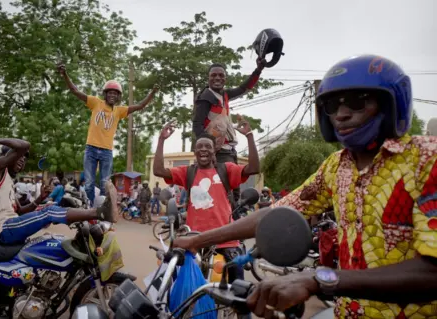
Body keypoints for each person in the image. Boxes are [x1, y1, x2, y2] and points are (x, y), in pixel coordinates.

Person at [173, 55, 437, 318]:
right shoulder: (337, 166)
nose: (342, 114)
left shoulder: (426, 160)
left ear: (391, 104)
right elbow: (275, 214)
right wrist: (197, 240)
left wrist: (319, 278)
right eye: (332, 106)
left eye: (357, 103)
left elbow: (432, 271)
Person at [154, 118, 259, 286]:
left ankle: (240, 312)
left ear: (214, 150)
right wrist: (161, 140)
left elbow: (253, 168)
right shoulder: (187, 172)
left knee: (239, 289)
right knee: (178, 282)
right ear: (195, 151)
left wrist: (250, 136)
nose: (203, 149)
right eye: (200, 147)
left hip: (226, 239)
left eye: (208, 146)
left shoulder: (226, 169)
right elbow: (158, 170)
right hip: (195, 240)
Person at [0, 137, 120, 245]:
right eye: (17, 156)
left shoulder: (7, 182)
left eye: (24, 158)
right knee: (49, 213)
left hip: (10, 226)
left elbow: (21, 211)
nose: (22, 159)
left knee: (49, 217)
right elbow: (24, 145)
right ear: (3, 158)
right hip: (4, 229)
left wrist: (40, 199)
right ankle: (100, 212)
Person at [57, 64, 159, 207]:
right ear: (105, 94)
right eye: (109, 92)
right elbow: (75, 90)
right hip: (91, 149)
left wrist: (152, 92)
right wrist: (65, 75)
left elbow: (140, 106)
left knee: (105, 183)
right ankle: (89, 209)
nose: (112, 95)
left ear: (118, 97)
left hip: (106, 151)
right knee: (89, 182)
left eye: (115, 93)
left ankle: (103, 210)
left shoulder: (119, 111)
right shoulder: (95, 103)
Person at [192, 58, 266, 203]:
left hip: (230, 151)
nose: (217, 78)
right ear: (208, 78)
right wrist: (208, 149)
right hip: (219, 154)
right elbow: (197, 125)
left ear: (225, 78)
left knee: (235, 192)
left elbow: (244, 88)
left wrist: (258, 70)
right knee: (228, 195)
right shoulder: (206, 97)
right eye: (214, 75)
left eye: (221, 75)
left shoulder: (224, 95)